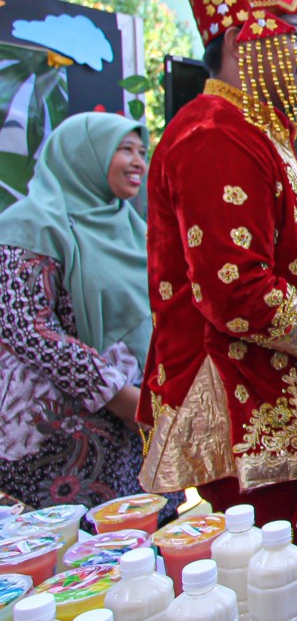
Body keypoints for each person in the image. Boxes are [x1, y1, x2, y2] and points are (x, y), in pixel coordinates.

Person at [138, 0, 297, 621]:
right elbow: (237, 293)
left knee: (286, 603)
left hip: (273, 400)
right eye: (295, 32)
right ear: (245, 39)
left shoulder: (257, 131)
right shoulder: (216, 133)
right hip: (244, 415)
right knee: (265, 612)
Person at [0, 113, 183, 523]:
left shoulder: (131, 228)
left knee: (155, 558)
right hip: (62, 450)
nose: (139, 161)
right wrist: (123, 397)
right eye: (124, 149)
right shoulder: (28, 224)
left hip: (135, 432)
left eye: (142, 151)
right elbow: (32, 333)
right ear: (83, 154)